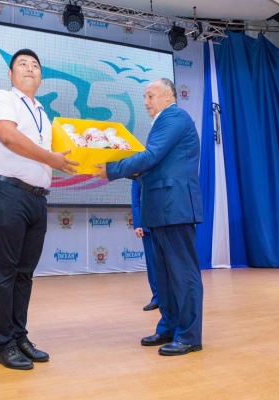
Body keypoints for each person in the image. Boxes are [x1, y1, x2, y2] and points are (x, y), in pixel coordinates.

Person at [94, 78, 204, 356]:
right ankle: (168, 327)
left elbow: (152, 156)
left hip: (175, 206)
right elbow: (153, 165)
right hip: (159, 207)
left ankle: (189, 336)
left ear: (169, 96)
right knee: (164, 276)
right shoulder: (163, 122)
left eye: (150, 96)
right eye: (144, 97)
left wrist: (112, 169)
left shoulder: (174, 117)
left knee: (183, 273)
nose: (145, 102)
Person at [0, 49, 78, 370]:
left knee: (24, 274)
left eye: (35, 65)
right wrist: (51, 159)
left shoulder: (43, 113)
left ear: (41, 77)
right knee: (4, 272)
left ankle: (19, 336)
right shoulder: (2, 98)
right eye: (22, 64)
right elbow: (8, 136)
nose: (29, 68)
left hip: (37, 199)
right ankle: (2, 344)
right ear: (10, 74)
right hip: (8, 193)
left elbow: (64, 153)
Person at [131, 179, 158, 311]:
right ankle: (157, 298)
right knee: (152, 263)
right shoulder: (137, 173)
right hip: (147, 225)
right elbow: (135, 200)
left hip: (166, 224)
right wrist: (138, 224)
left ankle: (172, 297)